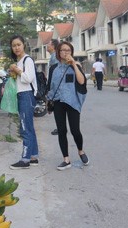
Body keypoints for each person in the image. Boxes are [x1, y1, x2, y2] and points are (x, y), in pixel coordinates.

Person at [46, 41, 89, 171]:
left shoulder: (76, 66)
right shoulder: (53, 68)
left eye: (68, 50)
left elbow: (82, 81)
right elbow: (50, 86)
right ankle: (66, 159)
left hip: (73, 102)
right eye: (63, 50)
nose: (66, 52)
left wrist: (74, 65)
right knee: (61, 131)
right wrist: (49, 102)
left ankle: (80, 151)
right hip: (58, 102)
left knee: (75, 130)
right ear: (58, 52)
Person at [7, 35, 39, 170]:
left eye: (18, 44)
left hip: (27, 95)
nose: (16, 48)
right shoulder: (19, 61)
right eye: (14, 45)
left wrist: (17, 70)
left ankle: (25, 159)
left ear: (23, 45)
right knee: (29, 127)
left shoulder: (27, 60)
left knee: (25, 128)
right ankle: (33, 156)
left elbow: (28, 78)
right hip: (23, 95)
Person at [47, 39, 60, 136]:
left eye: (49, 44)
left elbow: (55, 73)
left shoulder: (55, 56)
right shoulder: (53, 56)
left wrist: (50, 87)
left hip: (56, 86)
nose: (47, 46)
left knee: (57, 107)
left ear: (53, 46)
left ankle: (60, 128)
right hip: (56, 86)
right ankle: (60, 127)